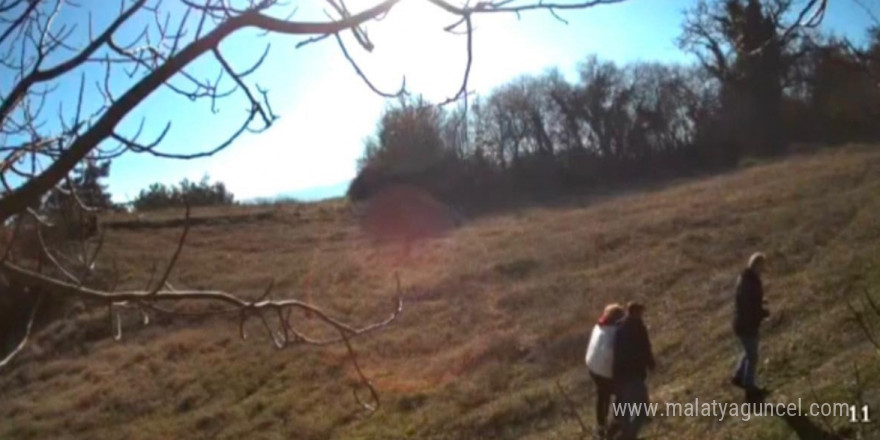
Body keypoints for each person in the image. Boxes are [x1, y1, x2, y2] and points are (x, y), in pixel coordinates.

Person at [613, 302, 656, 440]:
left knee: (625, 408)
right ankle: (629, 436)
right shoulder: (639, 327)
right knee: (642, 408)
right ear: (636, 313)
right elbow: (646, 347)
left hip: (621, 375)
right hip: (635, 373)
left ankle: (626, 433)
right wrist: (651, 364)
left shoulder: (619, 328)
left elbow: (615, 351)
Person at [731, 252, 770, 400]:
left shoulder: (746, 279)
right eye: (762, 266)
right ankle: (750, 388)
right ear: (757, 265)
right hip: (747, 325)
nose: (763, 270)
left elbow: (749, 302)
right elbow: (750, 307)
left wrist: (760, 306)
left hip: (742, 323)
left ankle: (738, 376)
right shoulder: (751, 282)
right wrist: (762, 312)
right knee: (753, 356)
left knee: (748, 351)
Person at [585, 303, 625, 438]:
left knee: (602, 395)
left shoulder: (599, 326)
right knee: (623, 391)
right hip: (605, 370)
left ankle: (601, 425)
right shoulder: (615, 332)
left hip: (593, 367)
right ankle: (616, 422)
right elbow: (613, 354)